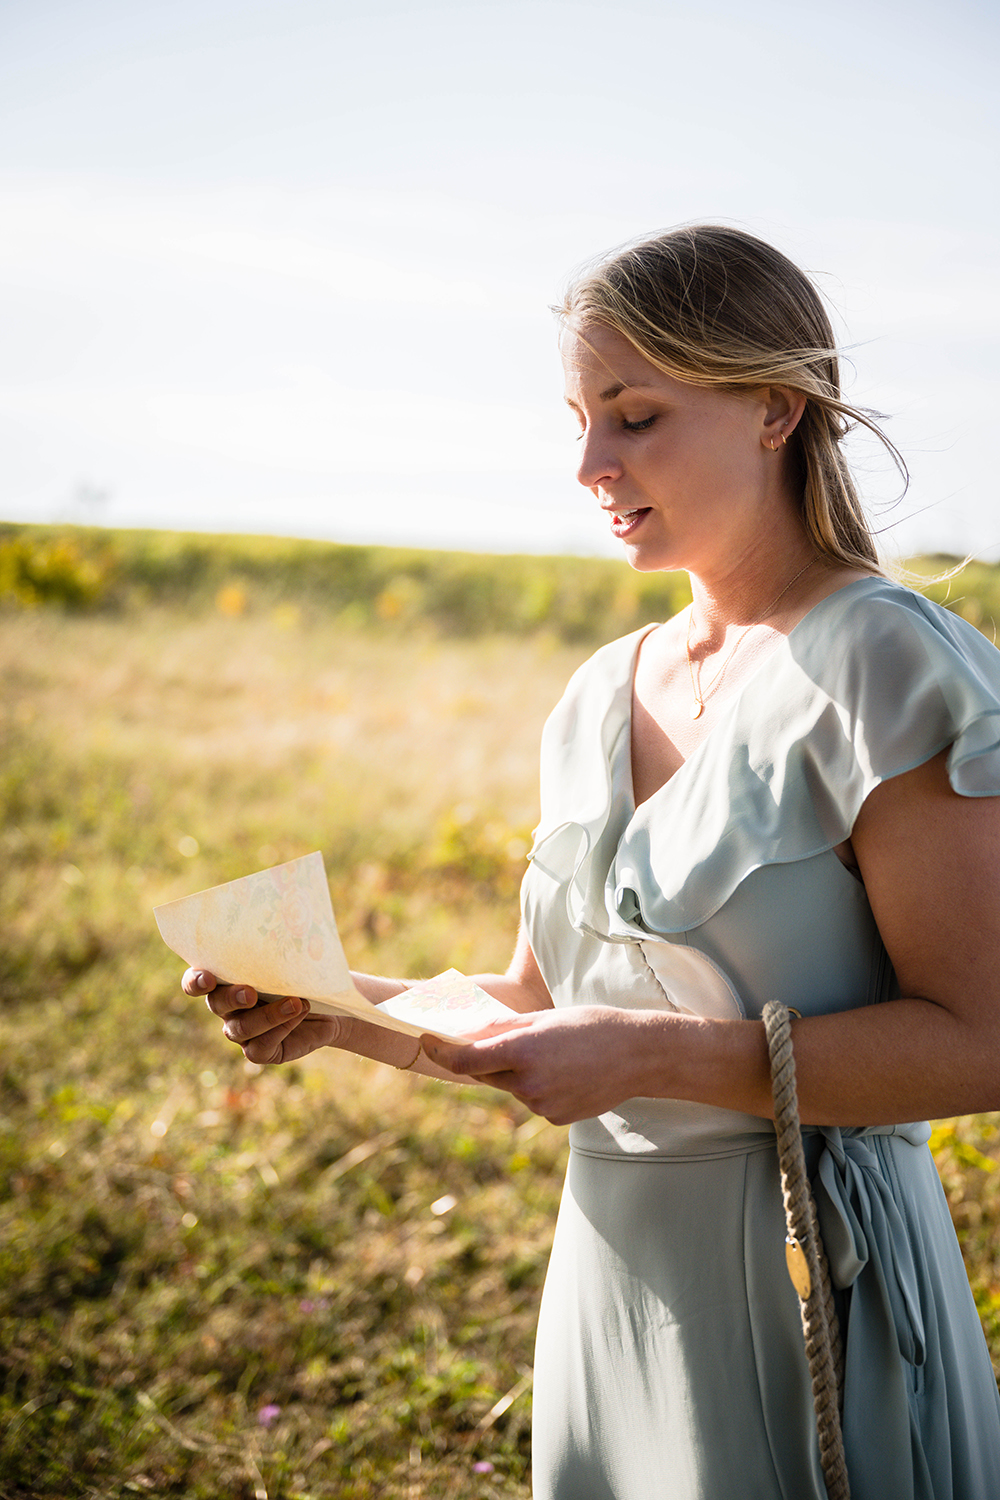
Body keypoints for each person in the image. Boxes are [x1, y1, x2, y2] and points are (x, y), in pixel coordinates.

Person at [184, 224, 1000, 1499]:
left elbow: (984, 1037)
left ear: (774, 409)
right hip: (613, 1285)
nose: (587, 463)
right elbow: (533, 1007)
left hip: (813, 1284)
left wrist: (654, 1056)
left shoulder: (885, 662)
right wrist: (338, 1012)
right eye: (577, 417)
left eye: (633, 416)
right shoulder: (593, 694)